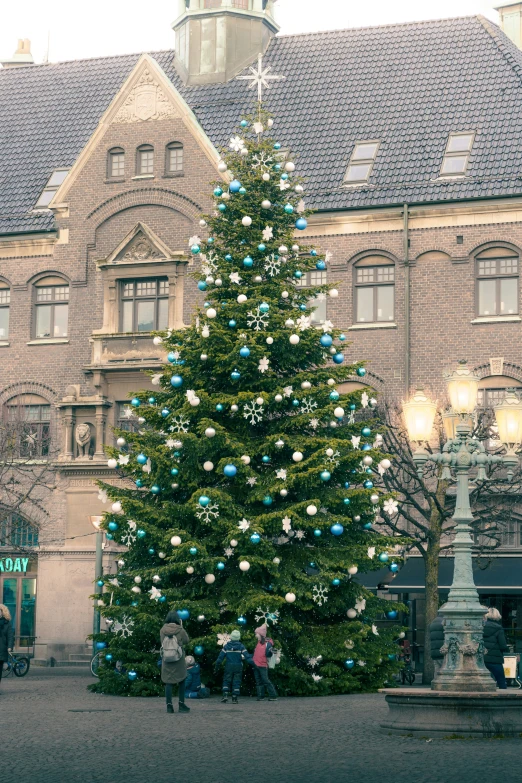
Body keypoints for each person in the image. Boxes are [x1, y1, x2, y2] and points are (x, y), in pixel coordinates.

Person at [160, 610, 190, 713]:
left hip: (167, 659)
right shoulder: (180, 630)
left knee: (168, 682)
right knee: (181, 680)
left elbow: (162, 642)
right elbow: (186, 640)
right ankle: (181, 704)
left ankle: (169, 706)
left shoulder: (163, 630)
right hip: (178, 658)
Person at [214, 629, 254, 704]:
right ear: (238, 638)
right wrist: (254, 663)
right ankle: (235, 697)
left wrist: (217, 666)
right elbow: (247, 657)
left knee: (226, 680)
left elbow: (220, 657)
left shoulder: (226, 646)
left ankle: (225, 695)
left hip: (229, 665)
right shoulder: (241, 646)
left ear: (231, 637)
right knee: (236, 681)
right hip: (238, 666)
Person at [483, 607, 509, 690]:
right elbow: (502, 645)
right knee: (501, 680)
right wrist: (506, 649)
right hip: (495, 659)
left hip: (482, 658)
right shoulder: (499, 628)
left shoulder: (481, 627)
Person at [253, 623, 278, 701]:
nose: (255, 635)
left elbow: (268, 654)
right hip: (256, 664)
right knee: (258, 680)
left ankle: (273, 695)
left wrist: (271, 652)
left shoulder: (267, 643)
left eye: (256, 633)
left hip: (263, 664)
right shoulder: (258, 642)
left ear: (260, 634)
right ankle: (261, 695)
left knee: (265, 680)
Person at [0, 604, 14, 691]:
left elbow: (10, 636)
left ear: (2, 612)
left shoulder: (6, 623)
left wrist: (9, 647)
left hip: (1, 649)